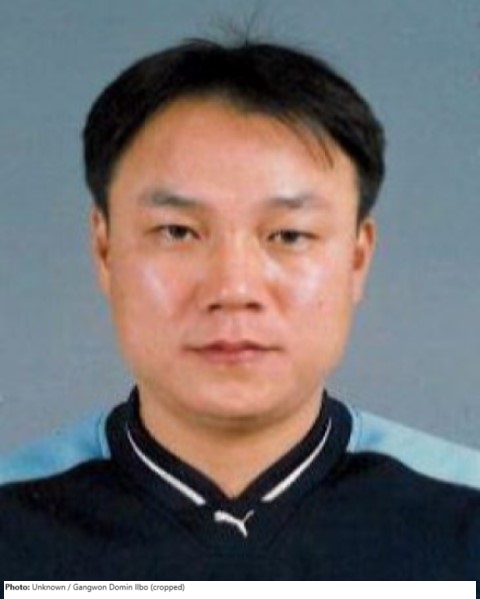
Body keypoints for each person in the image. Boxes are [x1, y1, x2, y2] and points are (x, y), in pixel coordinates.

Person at [0, 37, 479, 581]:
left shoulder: (465, 517)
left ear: (357, 258)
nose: (233, 287)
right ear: (105, 249)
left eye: (289, 235)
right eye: (177, 231)